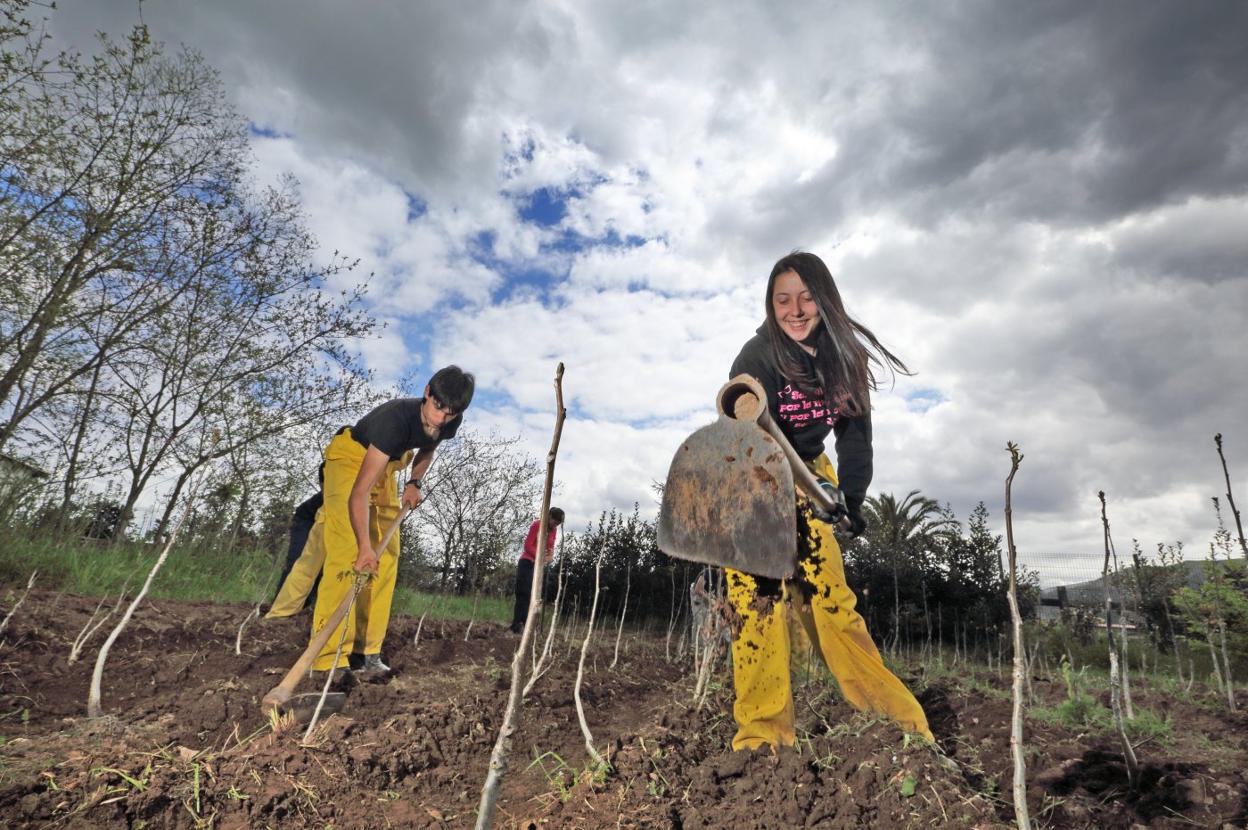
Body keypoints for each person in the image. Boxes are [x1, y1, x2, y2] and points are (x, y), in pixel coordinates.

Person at [724, 251, 932, 751]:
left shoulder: (842, 358)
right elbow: (745, 438)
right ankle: (763, 738)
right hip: (751, 476)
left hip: (814, 470)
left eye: (806, 298)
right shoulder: (756, 359)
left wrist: (852, 500)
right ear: (771, 305)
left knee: (831, 601)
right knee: (759, 603)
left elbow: (855, 435)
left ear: (825, 300)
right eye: (782, 300)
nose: (795, 310)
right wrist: (793, 491)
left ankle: (898, 725)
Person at [308, 365, 474, 676]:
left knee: (385, 557)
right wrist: (363, 547)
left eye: (449, 414)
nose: (440, 419)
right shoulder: (394, 421)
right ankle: (326, 658)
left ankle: (367, 651)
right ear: (427, 392)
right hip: (350, 459)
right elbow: (358, 494)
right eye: (437, 407)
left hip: (387, 466)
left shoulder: (450, 419)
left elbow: (428, 448)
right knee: (349, 554)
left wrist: (415, 482)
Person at [265, 465, 325, 617]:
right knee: (301, 561)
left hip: (334, 523)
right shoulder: (336, 469)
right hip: (307, 520)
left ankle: (311, 609)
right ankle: (281, 609)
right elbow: (323, 468)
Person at [510, 506, 564, 633]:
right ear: (549, 516)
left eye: (558, 524)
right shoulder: (537, 525)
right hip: (527, 562)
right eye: (554, 522)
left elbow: (551, 548)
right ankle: (516, 625)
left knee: (533, 596)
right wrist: (539, 557)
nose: (555, 525)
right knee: (523, 593)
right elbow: (528, 545)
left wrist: (549, 557)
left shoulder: (553, 530)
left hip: (538, 566)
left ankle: (527, 624)